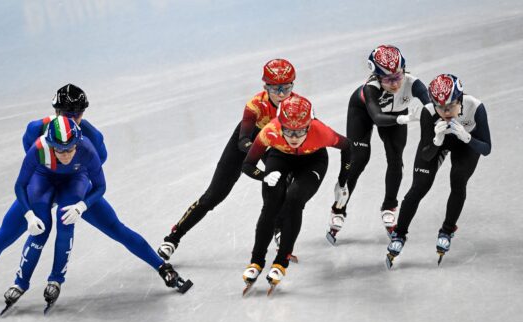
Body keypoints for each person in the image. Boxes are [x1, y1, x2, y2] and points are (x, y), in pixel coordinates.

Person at [0, 84, 191, 305]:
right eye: (67, 113)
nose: (73, 117)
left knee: (116, 228)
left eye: (78, 113)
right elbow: (34, 161)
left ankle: (162, 267)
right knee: (6, 234)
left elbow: (94, 171)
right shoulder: (36, 129)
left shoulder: (92, 138)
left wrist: (80, 202)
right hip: (43, 184)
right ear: (56, 112)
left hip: (75, 186)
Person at [157, 59, 297, 260]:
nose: (282, 94)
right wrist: (261, 167)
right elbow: (243, 142)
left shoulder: (297, 105)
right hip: (248, 143)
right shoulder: (255, 106)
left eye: (287, 87)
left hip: (274, 143)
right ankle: (174, 236)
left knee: (285, 182)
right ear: (266, 86)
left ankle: (278, 229)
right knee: (214, 195)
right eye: (276, 89)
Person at [241, 95, 351, 293]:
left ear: (309, 126)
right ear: (280, 125)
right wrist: (263, 176)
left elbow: (348, 147)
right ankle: (256, 261)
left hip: (313, 161)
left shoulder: (321, 131)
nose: (293, 138)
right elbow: (248, 164)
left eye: (300, 131)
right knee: (271, 203)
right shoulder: (270, 131)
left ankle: (281, 262)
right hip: (280, 157)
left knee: (294, 199)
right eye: (289, 131)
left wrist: (343, 181)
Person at [326, 45, 431, 245]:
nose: (395, 83)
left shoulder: (413, 83)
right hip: (363, 113)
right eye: (388, 80)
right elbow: (377, 117)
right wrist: (405, 119)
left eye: (398, 76)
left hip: (396, 114)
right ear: (376, 76)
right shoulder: (370, 88)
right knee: (359, 160)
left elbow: (431, 104)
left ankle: (389, 206)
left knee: (395, 158)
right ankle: (339, 208)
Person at [385, 74, 491, 268]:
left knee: (458, 180)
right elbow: (426, 155)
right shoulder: (428, 112)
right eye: (440, 107)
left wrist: (466, 137)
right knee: (418, 187)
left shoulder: (475, 107)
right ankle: (399, 234)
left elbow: (486, 148)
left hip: (465, 143)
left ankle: (447, 229)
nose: (445, 112)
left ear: (460, 99)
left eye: (450, 106)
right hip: (439, 142)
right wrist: (437, 141)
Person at [2, 116, 105, 310]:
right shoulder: (39, 149)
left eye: (70, 149)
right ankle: (20, 282)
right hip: (44, 179)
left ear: (77, 144)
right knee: (39, 230)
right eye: (59, 150)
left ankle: (56, 280)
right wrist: (29, 215)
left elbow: (101, 186)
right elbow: (20, 185)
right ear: (50, 145)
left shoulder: (87, 149)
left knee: (65, 223)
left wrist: (82, 206)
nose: (65, 155)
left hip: (74, 181)